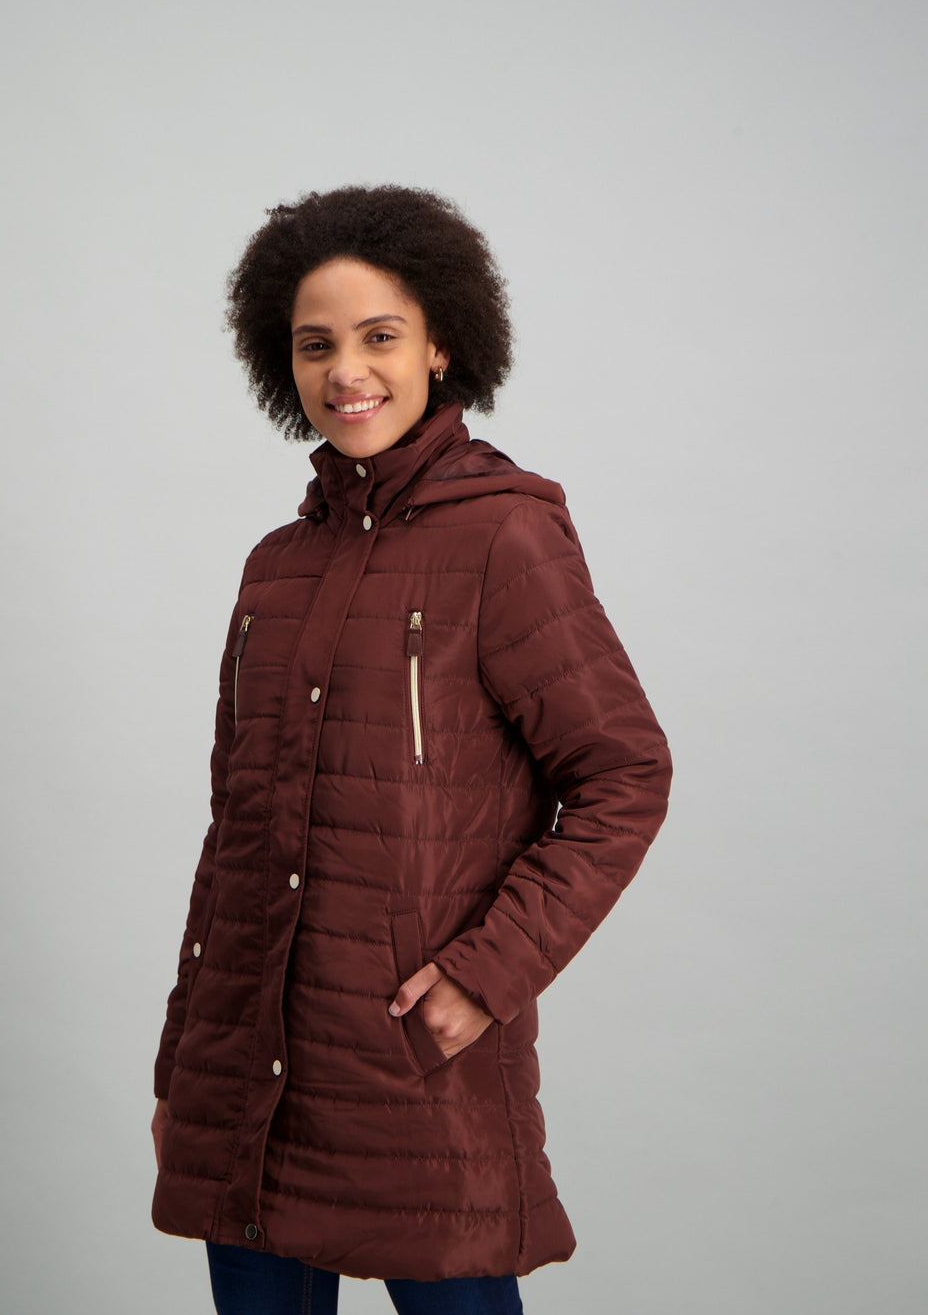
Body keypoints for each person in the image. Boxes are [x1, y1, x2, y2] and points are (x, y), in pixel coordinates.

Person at [150, 185, 673, 1315]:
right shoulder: (274, 567)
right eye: (316, 345)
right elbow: (236, 831)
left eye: (379, 336)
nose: (347, 371)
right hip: (246, 1085)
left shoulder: (505, 535)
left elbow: (624, 775)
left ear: (441, 345)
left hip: (409, 1070)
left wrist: (489, 974)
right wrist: (184, 1056)